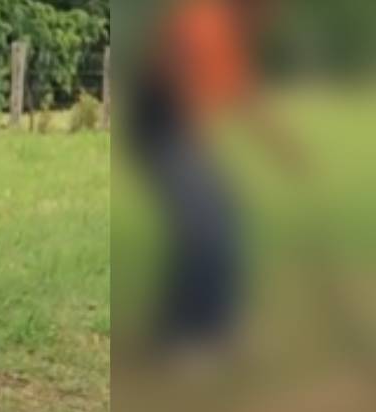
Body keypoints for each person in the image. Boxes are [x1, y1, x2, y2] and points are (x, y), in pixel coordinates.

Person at [126, 0, 301, 369]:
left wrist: (284, 149)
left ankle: (219, 331)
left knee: (228, 215)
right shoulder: (202, 21)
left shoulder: (236, 37)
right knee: (203, 226)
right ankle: (183, 339)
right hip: (159, 128)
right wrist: (197, 152)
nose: (278, 16)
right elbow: (183, 85)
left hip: (184, 133)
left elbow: (247, 98)